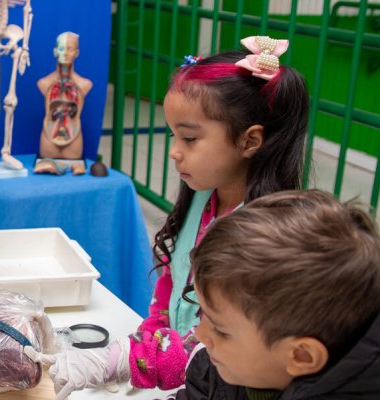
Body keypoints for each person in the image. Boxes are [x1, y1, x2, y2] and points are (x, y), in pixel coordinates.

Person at [25, 36, 309, 398]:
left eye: (189, 139)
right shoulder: (204, 193)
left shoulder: (264, 240)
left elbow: (210, 346)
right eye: (173, 135)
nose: (174, 152)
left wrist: (124, 360)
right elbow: (172, 283)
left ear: (250, 141)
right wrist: (147, 341)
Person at [170, 189, 380, 399]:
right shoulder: (230, 362)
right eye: (202, 312)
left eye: (221, 330)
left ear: (301, 356)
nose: (200, 333)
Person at [34, 31, 92, 176]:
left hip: (74, 142)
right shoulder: (44, 83)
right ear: (55, 52)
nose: (65, 53)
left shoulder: (85, 85)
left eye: (70, 49)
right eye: (61, 48)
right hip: (48, 142)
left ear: (77, 53)